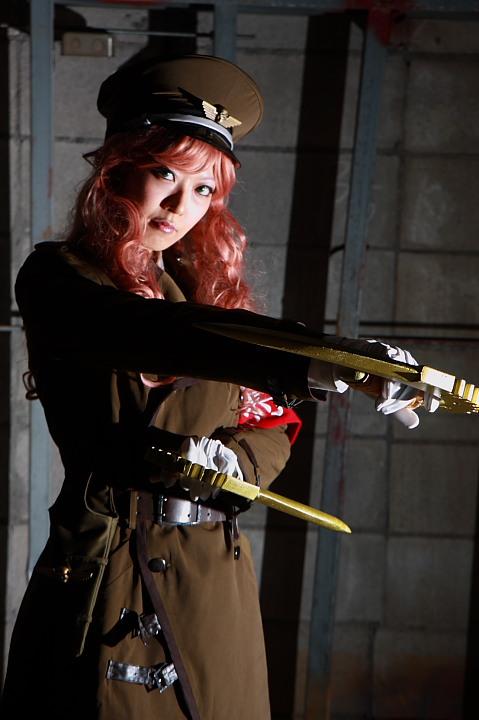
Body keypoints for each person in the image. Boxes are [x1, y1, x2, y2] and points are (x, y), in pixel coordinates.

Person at [0, 54, 437, 720]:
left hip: (215, 584)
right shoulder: (59, 280)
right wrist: (316, 358)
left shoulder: (201, 294)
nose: (182, 206)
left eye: (204, 189)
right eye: (165, 175)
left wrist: (235, 462)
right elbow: (154, 334)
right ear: (117, 167)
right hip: (111, 567)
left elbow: (270, 420)